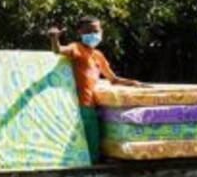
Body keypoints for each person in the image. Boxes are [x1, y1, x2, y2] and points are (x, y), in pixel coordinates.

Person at [48, 18, 143, 161]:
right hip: (80, 105)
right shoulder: (77, 48)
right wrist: (55, 39)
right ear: (80, 32)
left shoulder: (98, 55)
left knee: (95, 141)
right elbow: (59, 50)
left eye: (96, 31)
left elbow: (113, 79)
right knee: (88, 143)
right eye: (88, 31)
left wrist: (135, 83)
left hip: (94, 105)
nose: (93, 34)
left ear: (102, 32)